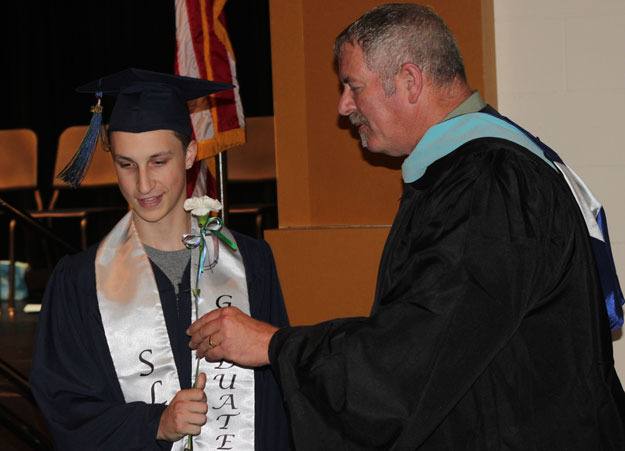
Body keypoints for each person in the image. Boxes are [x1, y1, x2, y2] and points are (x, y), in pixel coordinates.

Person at [187, 4, 625, 450]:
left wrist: (275, 346)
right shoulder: (480, 172)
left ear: (411, 81)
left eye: (353, 86)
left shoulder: (487, 183)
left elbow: (415, 353)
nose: (343, 106)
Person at [30, 69, 291, 450]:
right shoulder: (79, 281)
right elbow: (65, 406)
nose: (143, 185)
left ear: (188, 154)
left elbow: (275, 399)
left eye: (158, 161)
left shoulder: (251, 263)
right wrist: (154, 424)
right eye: (126, 164)